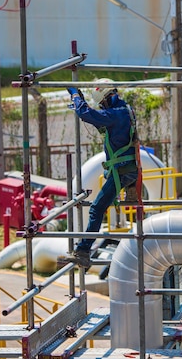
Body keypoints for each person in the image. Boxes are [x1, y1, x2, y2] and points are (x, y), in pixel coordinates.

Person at [58, 79, 139, 268]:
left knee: (96, 209)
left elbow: (87, 114)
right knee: (100, 205)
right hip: (128, 168)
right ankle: (132, 190)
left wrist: (76, 96)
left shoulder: (114, 114)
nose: (102, 106)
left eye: (102, 103)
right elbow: (98, 119)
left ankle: (83, 251)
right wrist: (82, 104)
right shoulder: (124, 110)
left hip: (122, 170)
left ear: (108, 97)